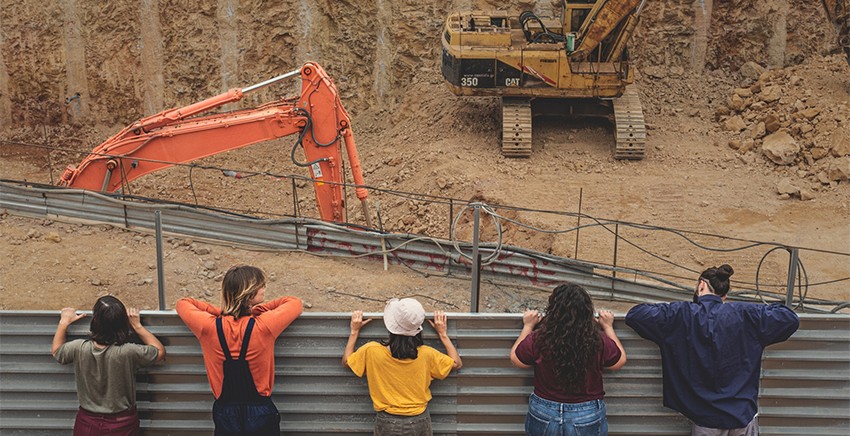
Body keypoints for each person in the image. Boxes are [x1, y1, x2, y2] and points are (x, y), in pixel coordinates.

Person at [625, 264, 800, 435]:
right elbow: (789, 318)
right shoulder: (746, 314)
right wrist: (754, 309)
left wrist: (674, 308)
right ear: (725, 294)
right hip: (742, 416)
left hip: (706, 420)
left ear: (701, 285)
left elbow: (636, 314)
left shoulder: (681, 314)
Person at [176, 264, 302, 436]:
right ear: (249, 294)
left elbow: (183, 303)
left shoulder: (208, 327)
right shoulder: (264, 326)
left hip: (225, 413)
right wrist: (257, 310)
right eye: (261, 286)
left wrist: (223, 312)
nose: (264, 289)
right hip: (260, 411)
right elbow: (294, 303)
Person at [510, 283, 626, 436]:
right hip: (587, 413)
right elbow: (620, 361)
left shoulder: (540, 338)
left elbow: (516, 359)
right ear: (587, 312)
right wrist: (608, 328)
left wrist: (528, 326)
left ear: (552, 310)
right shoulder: (597, 340)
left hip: (544, 411)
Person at [342, 298, 462, 436]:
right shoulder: (427, 354)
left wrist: (354, 332)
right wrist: (443, 334)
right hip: (419, 421)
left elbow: (347, 361)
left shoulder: (371, 351)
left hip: (387, 422)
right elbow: (456, 363)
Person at [52, 295, 166, 436]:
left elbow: (57, 351)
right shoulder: (128, 352)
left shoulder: (79, 348)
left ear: (94, 322)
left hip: (87, 423)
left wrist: (64, 322)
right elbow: (160, 352)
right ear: (123, 324)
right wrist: (137, 326)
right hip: (123, 424)